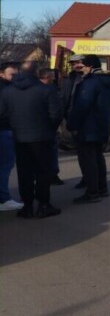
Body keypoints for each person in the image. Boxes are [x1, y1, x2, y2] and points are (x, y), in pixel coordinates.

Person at [0, 65, 63, 218]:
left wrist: (15, 127)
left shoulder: (7, 91)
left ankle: (27, 206)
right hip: (42, 137)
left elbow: (2, 114)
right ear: (36, 74)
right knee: (43, 172)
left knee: (24, 172)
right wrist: (50, 129)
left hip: (19, 137)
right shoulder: (47, 90)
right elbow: (56, 114)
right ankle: (43, 204)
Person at [66, 55, 110, 203]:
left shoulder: (90, 83)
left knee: (88, 160)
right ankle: (102, 188)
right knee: (98, 157)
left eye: (84, 66)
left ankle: (92, 192)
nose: (83, 69)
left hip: (88, 127)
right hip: (101, 125)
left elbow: (82, 106)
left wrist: (72, 124)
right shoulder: (107, 82)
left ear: (90, 67)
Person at [0, 62, 24, 211]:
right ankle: (3, 199)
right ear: (1, 74)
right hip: (4, 130)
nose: (15, 77)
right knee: (5, 166)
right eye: (12, 75)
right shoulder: (6, 90)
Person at [60, 54, 87, 189]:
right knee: (81, 152)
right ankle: (86, 178)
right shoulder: (69, 78)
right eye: (73, 63)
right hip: (72, 117)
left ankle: (94, 183)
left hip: (87, 120)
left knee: (90, 154)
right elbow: (65, 97)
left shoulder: (90, 79)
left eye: (79, 62)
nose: (76, 65)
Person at [38, 68, 65, 186]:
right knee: (51, 153)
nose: (55, 78)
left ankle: (48, 175)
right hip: (48, 127)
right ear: (47, 77)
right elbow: (55, 112)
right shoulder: (49, 90)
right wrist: (54, 125)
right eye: (52, 76)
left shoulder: (35, 89)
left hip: (40, 127)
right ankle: (51, 175)